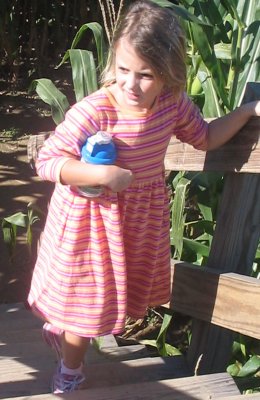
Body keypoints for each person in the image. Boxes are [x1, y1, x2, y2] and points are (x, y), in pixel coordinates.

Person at [28, 0, 260, 394]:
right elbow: (48, 161)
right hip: (90, 226)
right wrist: (99, 173)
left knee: (96, 304)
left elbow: (204, 137)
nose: (130, 85)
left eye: (145, 75)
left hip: (134, 225)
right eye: (122, 70)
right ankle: (70, 373)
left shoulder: (172, 105)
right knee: (86, 306)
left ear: (169, 74)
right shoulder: (95, 111)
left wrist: (248, 110)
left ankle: (63, 334)